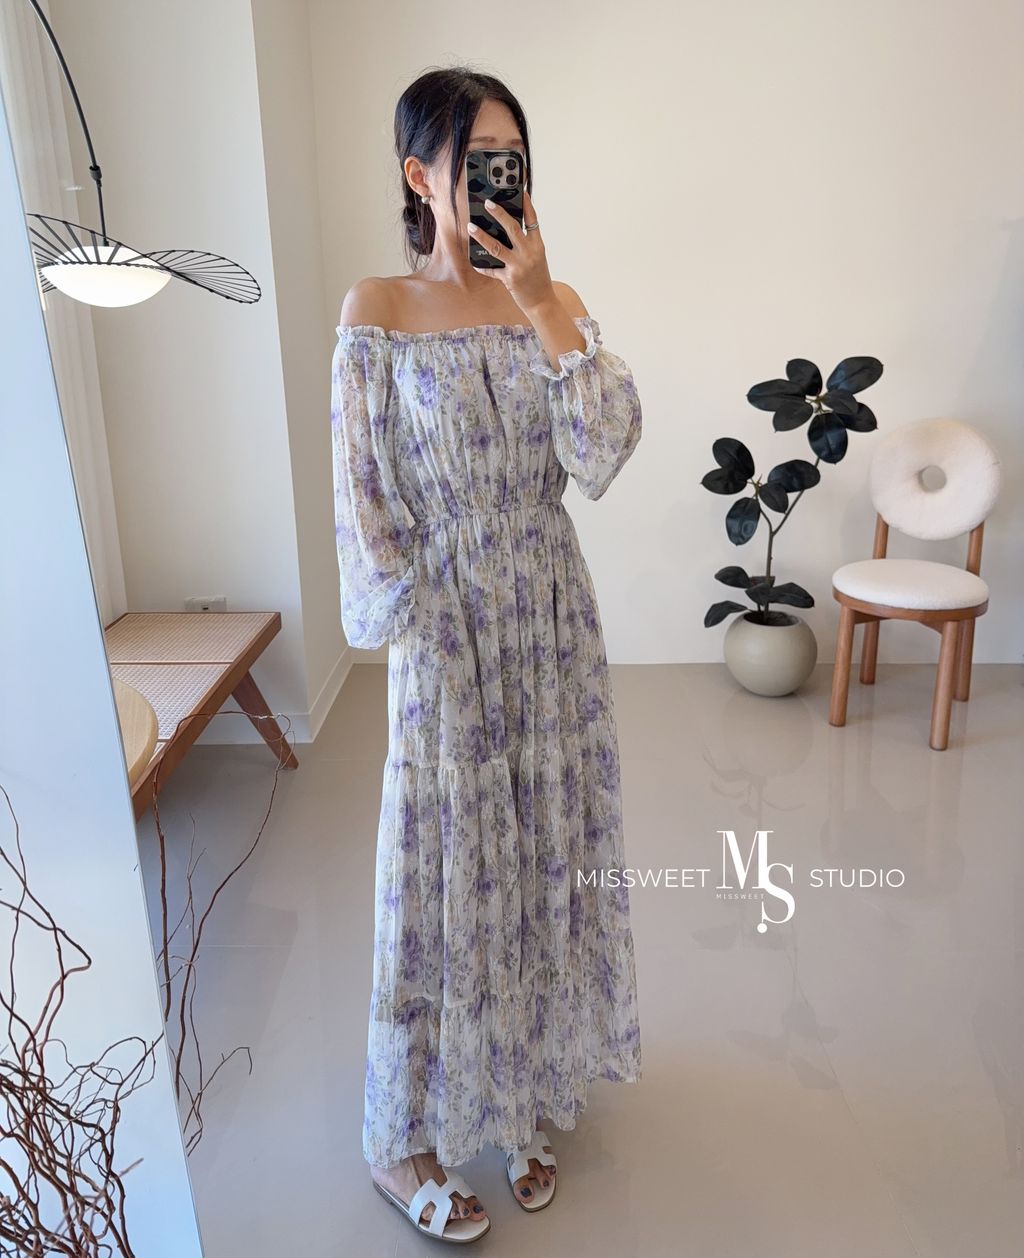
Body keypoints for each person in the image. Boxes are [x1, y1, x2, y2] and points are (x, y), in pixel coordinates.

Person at [330, 66, 644, 1245]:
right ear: (422, 175)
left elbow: (603, 454)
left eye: (514, 155)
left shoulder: (548, 302)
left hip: (548, 617)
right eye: (479, 158)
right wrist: (414, 632)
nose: (501, 176)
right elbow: (362, 492)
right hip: (447, 629)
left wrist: (544, 303)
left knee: (541, 854)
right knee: (439, 874)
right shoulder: (375, 309)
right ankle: (396, 1137)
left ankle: (517, 1088)